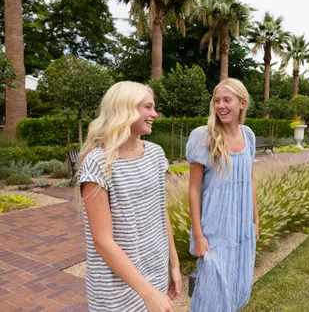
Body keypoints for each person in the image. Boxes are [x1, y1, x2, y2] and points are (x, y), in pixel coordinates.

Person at [78, 81, 181, 312]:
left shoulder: (155, 154)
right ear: (124, 109)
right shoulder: (98, 163)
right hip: (117, 286)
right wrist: (147, 293)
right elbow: (102, 241)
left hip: (154, 270)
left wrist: (173, 264)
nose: (154, 114)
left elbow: (160, 211)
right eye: (147, 107)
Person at [186, 78, 259, 312]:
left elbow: (250, 181)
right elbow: (194, 189)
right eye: (217, 101)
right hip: (214, 232)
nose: (221, 106)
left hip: (241, 230)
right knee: (210, 296)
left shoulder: (248, 136)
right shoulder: (203, 137)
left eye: (227, 100)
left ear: (242, 103)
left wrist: (255, 222)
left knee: (237, 291)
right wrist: (198, 235)